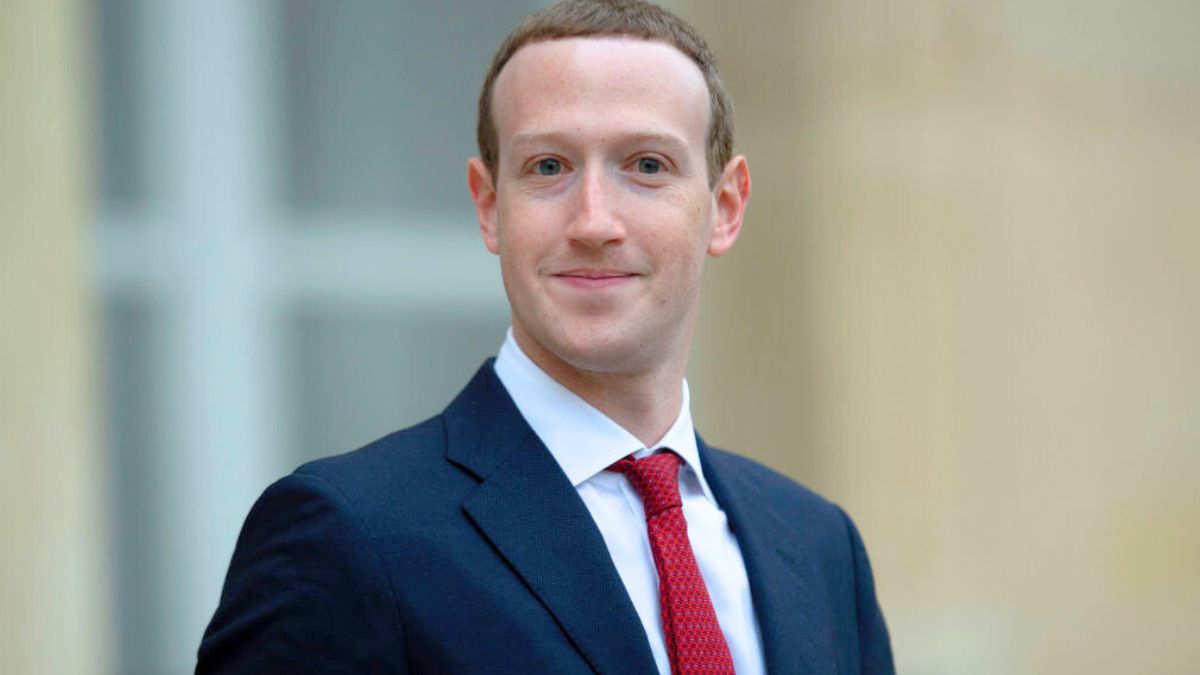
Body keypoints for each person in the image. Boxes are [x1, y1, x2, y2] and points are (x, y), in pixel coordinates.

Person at [197, 1, 894, 673]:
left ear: (725, 206)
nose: (594, 221)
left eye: (647, 165)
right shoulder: (347, 534)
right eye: (549, 167)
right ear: (489, 205)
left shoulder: (820, 547)